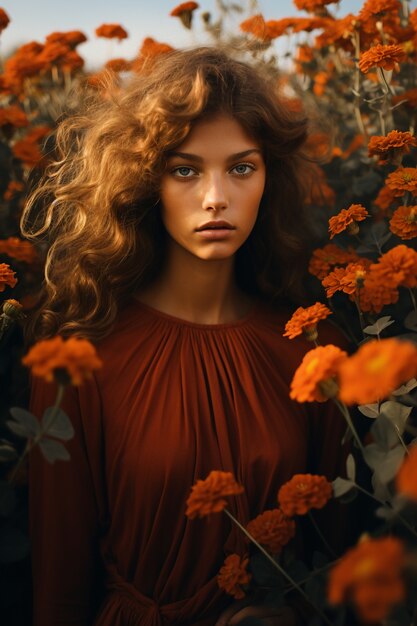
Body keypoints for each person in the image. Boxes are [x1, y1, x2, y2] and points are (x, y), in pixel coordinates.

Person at [22, 46, 349, 626]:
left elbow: (336, 557)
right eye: (186, 169)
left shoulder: (307, 346)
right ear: (147, 180)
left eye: (241, 167)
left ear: (268, 177)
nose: (216, 196)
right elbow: (59, 580)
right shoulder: (84, 358)